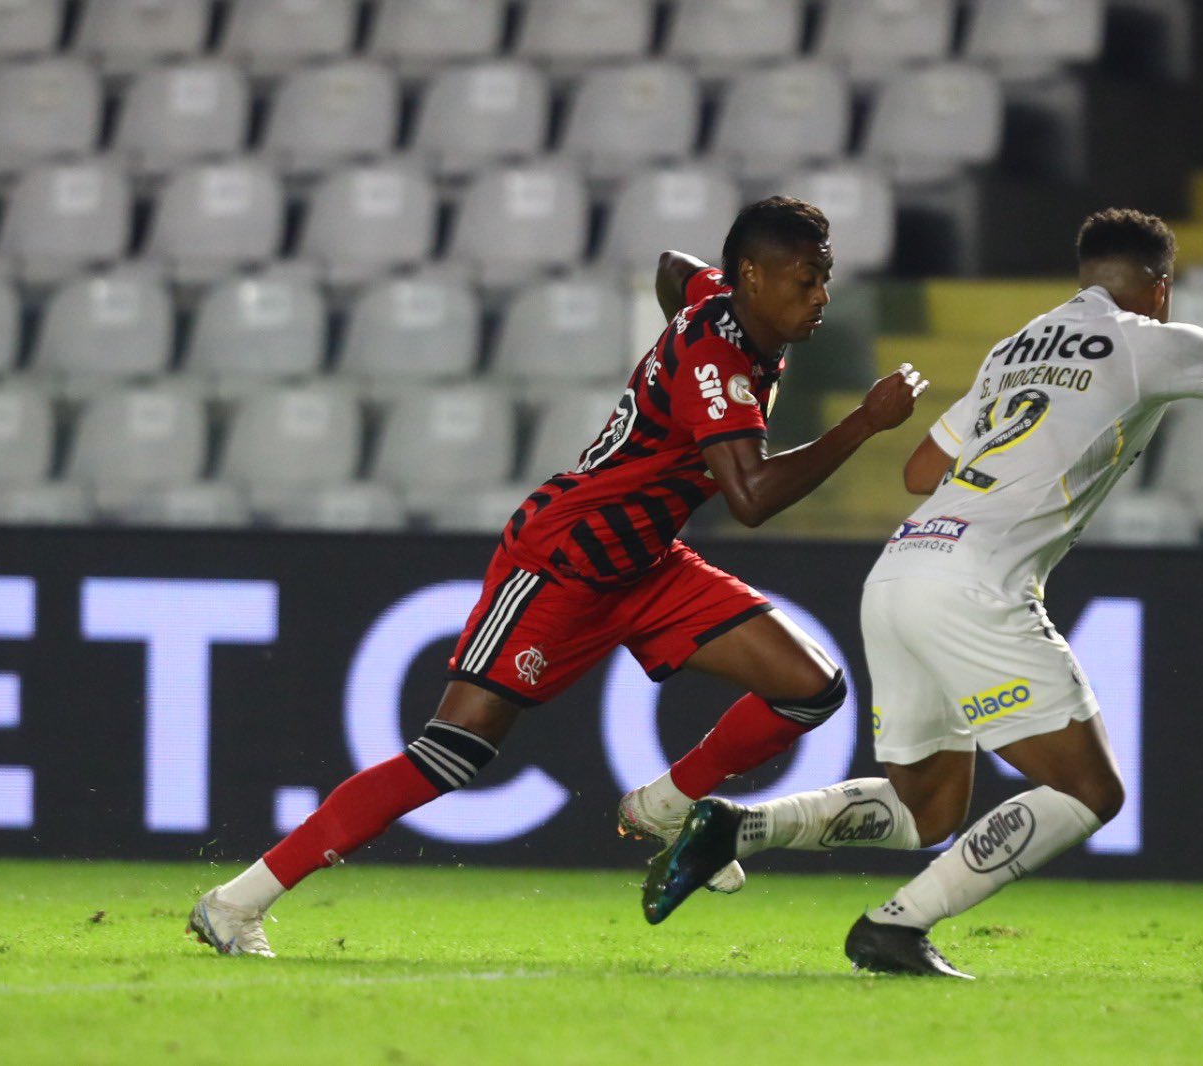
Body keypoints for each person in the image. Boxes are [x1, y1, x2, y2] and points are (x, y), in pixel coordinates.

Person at [640, 207, 1203, 978]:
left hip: (901, 569)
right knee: (1090, 790)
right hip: (976, 585)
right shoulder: (1155, 345)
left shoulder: (1015, 348)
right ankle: (897, 925)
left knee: (925, 809)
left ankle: (736, 828)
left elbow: (921, 470)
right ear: (1160, 291)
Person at [189, 196, 930, 957]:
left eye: (824, 278)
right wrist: (864, 423)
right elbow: (750, 499)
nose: (821, 296)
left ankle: (668, 805)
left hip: (645, 562)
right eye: (807, 279)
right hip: (565, 559)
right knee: (454, 750)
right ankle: (236, 902)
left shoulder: (719, 302)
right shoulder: (717, 359)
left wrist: (682, 326)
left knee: (811, 687)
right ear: (753, 275)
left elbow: (672, 268)